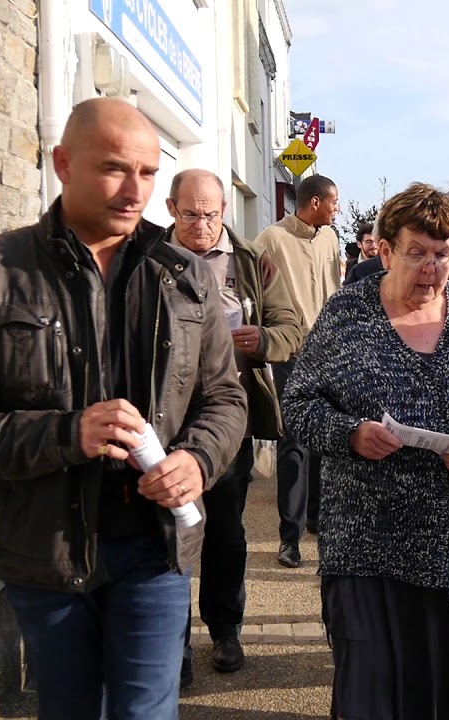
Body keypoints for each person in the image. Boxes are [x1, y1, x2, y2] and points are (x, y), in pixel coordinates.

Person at [0, 98, 248, 718]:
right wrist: (67, 434)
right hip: (45, 549)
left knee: (145, 711)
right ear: (63, 163)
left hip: (156, 546)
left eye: (146, 172)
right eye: (115, 168)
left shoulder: (187, 275)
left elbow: (224, 397)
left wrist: (197, 459)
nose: (134, 189)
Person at [281, 183, 449, 720]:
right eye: (416, 252)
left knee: (440, 698)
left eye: (442, 254)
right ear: (386, 250)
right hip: (366, 543)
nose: (432, 267)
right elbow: (298, 405)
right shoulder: (347, 314)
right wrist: (349, 433)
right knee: (367, 698)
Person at [163, 169, 304, 681]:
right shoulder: (148, 259)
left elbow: (291, 327)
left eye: (211, 213)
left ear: (225, 210)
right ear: (170, 208)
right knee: (166, 536)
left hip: (230, 420)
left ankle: (225, 630)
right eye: (190, 214)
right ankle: (170, 646)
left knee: (224, 531)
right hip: (162, 426)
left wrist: (260, 340)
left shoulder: (250, 261)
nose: (201, 224)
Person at [255, 174, 341, 568]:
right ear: (315, 202)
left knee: (324, 439)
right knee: (294, 443)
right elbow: (254, 290)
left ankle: (317, 520)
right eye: (333, 202)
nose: (337, 208)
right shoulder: (271, 239)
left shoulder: (330, 239)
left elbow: (335, 291)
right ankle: (288, 538)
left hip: (327, 353)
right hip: (290, 354)